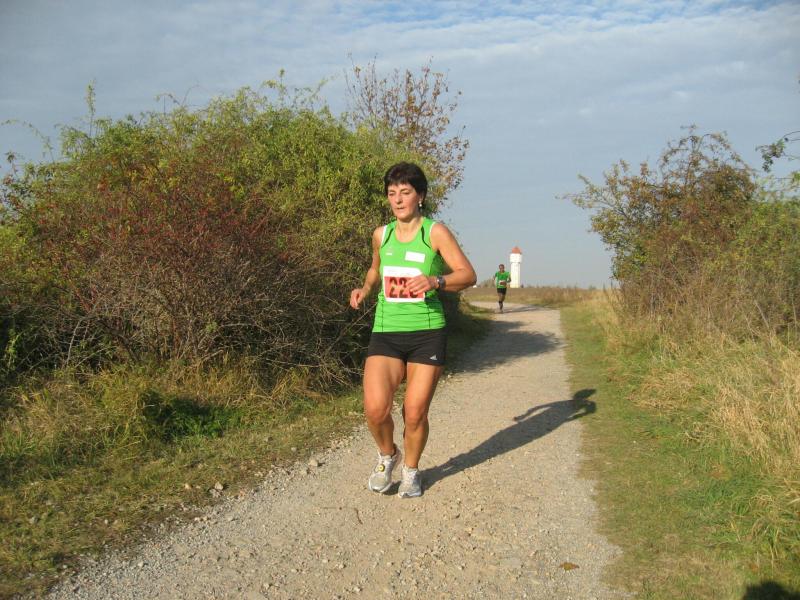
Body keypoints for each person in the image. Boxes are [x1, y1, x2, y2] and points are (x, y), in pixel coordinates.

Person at [349, 162, 477, 498]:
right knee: (375, 409)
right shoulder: (382, 234)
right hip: (386, 331)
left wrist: (436, 281)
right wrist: (365, 288)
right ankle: (387, 455)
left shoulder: (435, 233)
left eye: (405, 192)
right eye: (392, 193)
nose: (397, 199)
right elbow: (375, 268)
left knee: (415, 412)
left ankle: (411, 470)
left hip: (427, 333)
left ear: (420, 196)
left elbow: (467, 274)